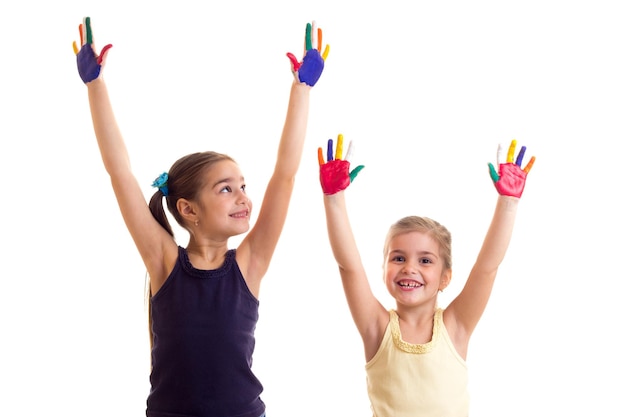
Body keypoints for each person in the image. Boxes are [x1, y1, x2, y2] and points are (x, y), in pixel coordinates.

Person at [72, 16, 329, 417]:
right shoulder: (164, 261)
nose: (242, 197)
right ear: (188, 210)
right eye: (226, 188)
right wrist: (95, 86)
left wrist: (302, 89)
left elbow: (285, 173)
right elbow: (119, 171)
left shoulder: (250, 262)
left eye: (243, 186)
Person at [317, 134, 535, 417]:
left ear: (445, 278)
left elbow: (487, 268)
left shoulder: (455, 326)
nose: (410, 267)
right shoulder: (377, 328)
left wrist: (508, 202)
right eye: (398, 258)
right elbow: (349, 266)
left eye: (425, 260)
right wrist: (333, 198)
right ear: (384, 268)